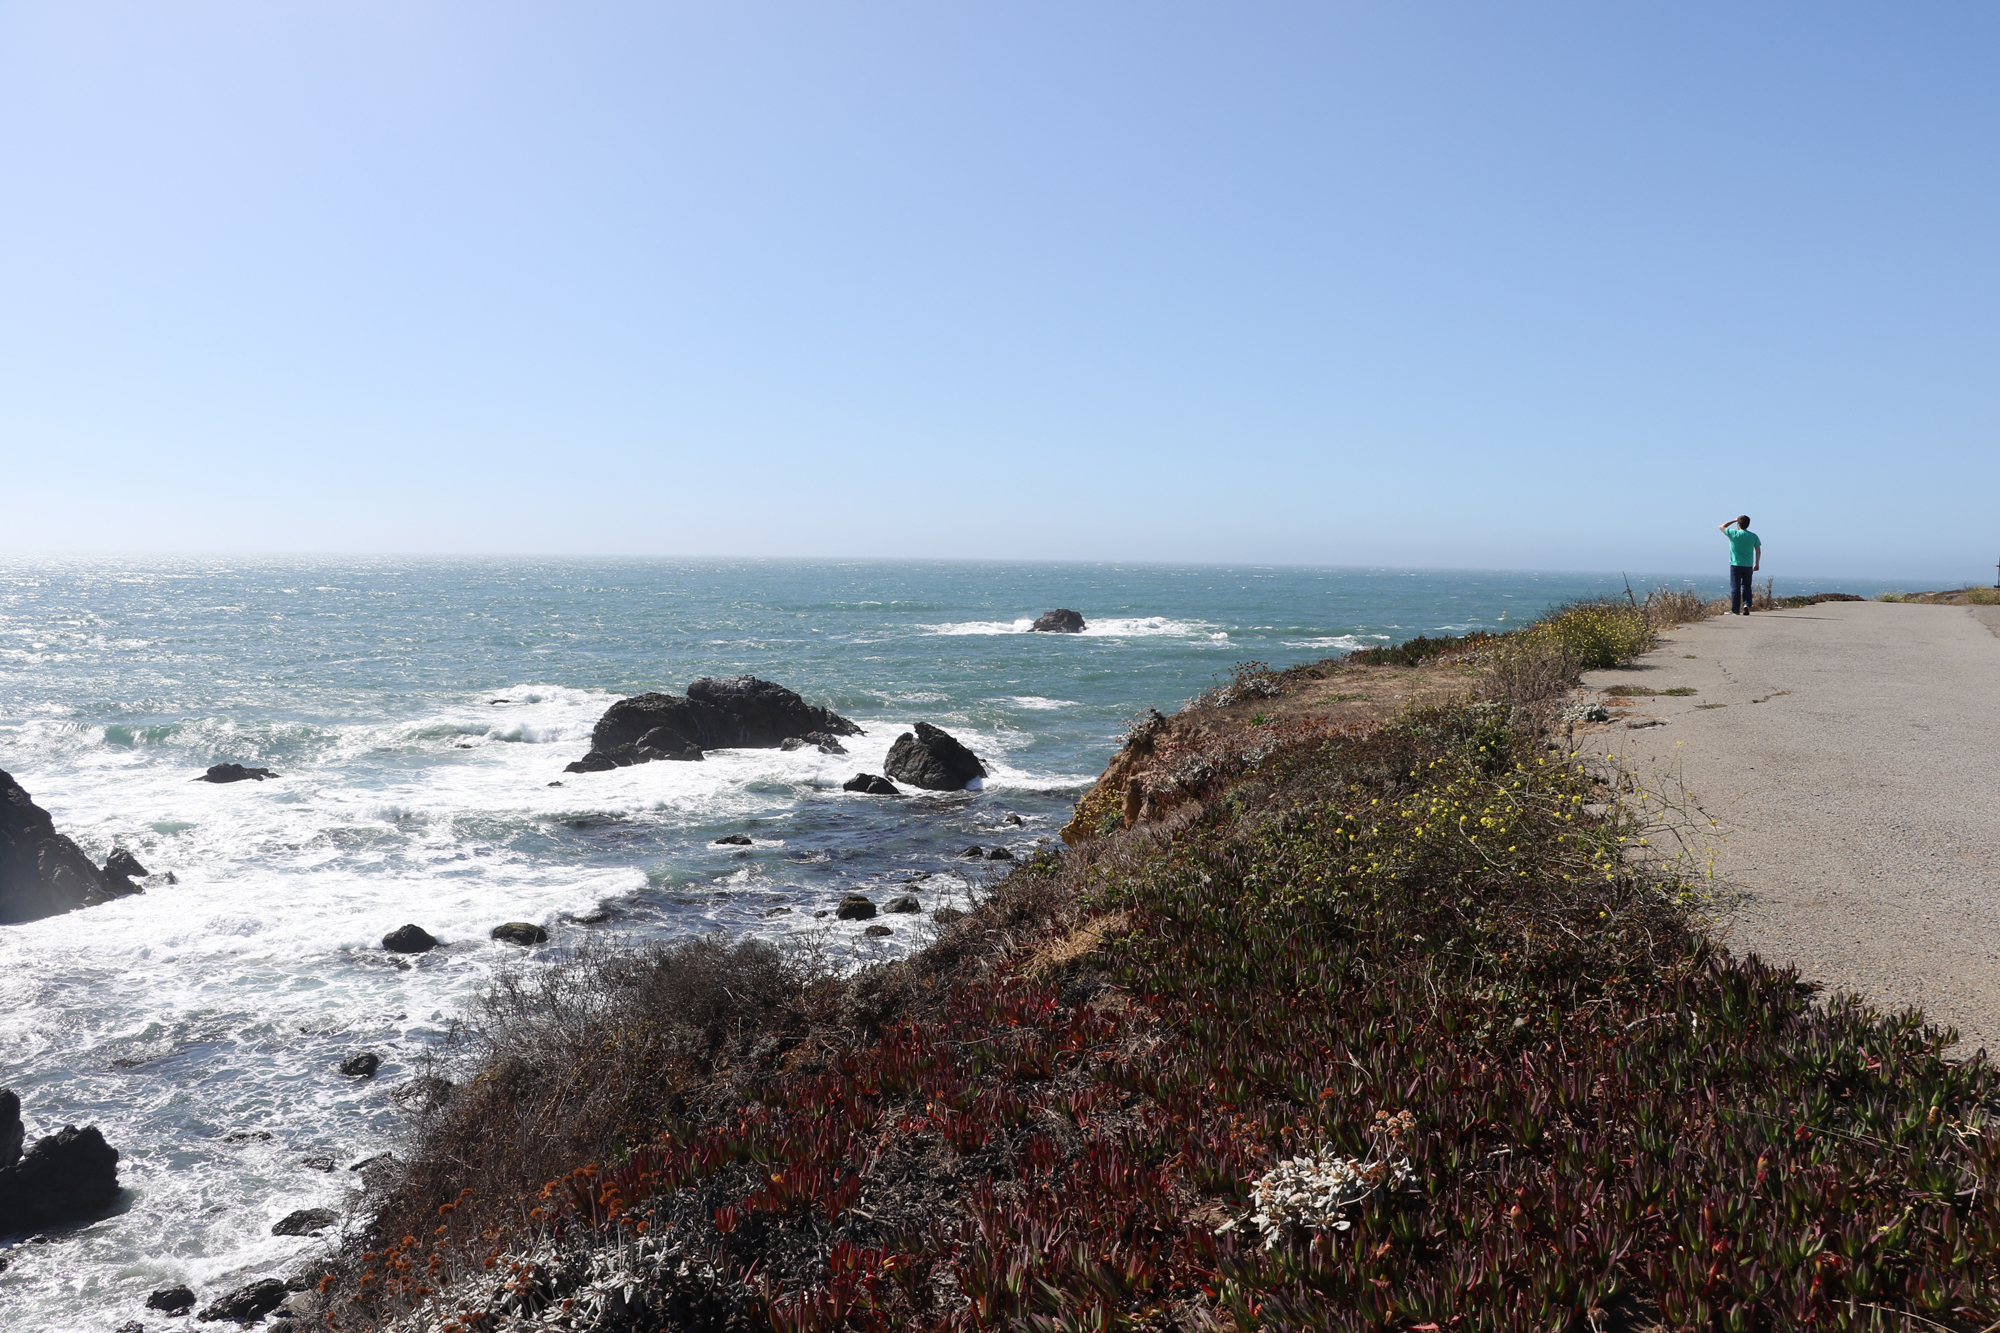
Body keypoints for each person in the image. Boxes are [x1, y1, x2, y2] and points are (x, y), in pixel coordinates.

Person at [1719, 515, 1762, 614]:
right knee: (1747, 586)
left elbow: (1721, 526)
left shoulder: (1734, 533)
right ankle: (1746, 604)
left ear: (1739, 524)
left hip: (1735, 564)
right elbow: (1758, 550)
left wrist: (1734, 520)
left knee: (1735, 587)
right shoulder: (1753, 536)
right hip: (1748, 565)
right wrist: (1757, 563)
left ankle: (1735, 610)